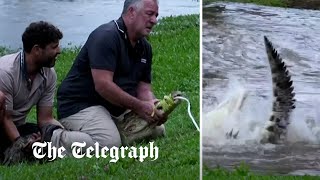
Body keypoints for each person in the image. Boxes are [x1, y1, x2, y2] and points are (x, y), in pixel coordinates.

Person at [45, 0, 167, 153]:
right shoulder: (106, 36)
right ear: (131, 12)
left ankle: (113, 130)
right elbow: (103, 86)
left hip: (113, 107)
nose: (154, 20)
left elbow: (143, 89)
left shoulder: (145, 47)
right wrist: (139, 107)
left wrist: (153, 106)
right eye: (149, 14)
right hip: (81, 104)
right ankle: (53, 137)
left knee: (158, 129)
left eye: (156, 15)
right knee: (108, 143)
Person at [0, 21, 63, 164]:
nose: (59, 50)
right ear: (37, 50)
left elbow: (45, 118)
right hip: (3, 123)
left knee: (50, 141)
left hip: (18, 126)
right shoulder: (6, 72)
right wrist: (21, 143)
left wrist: (50, 134)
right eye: (54, 47)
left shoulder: (49, 74)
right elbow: (6, 118)